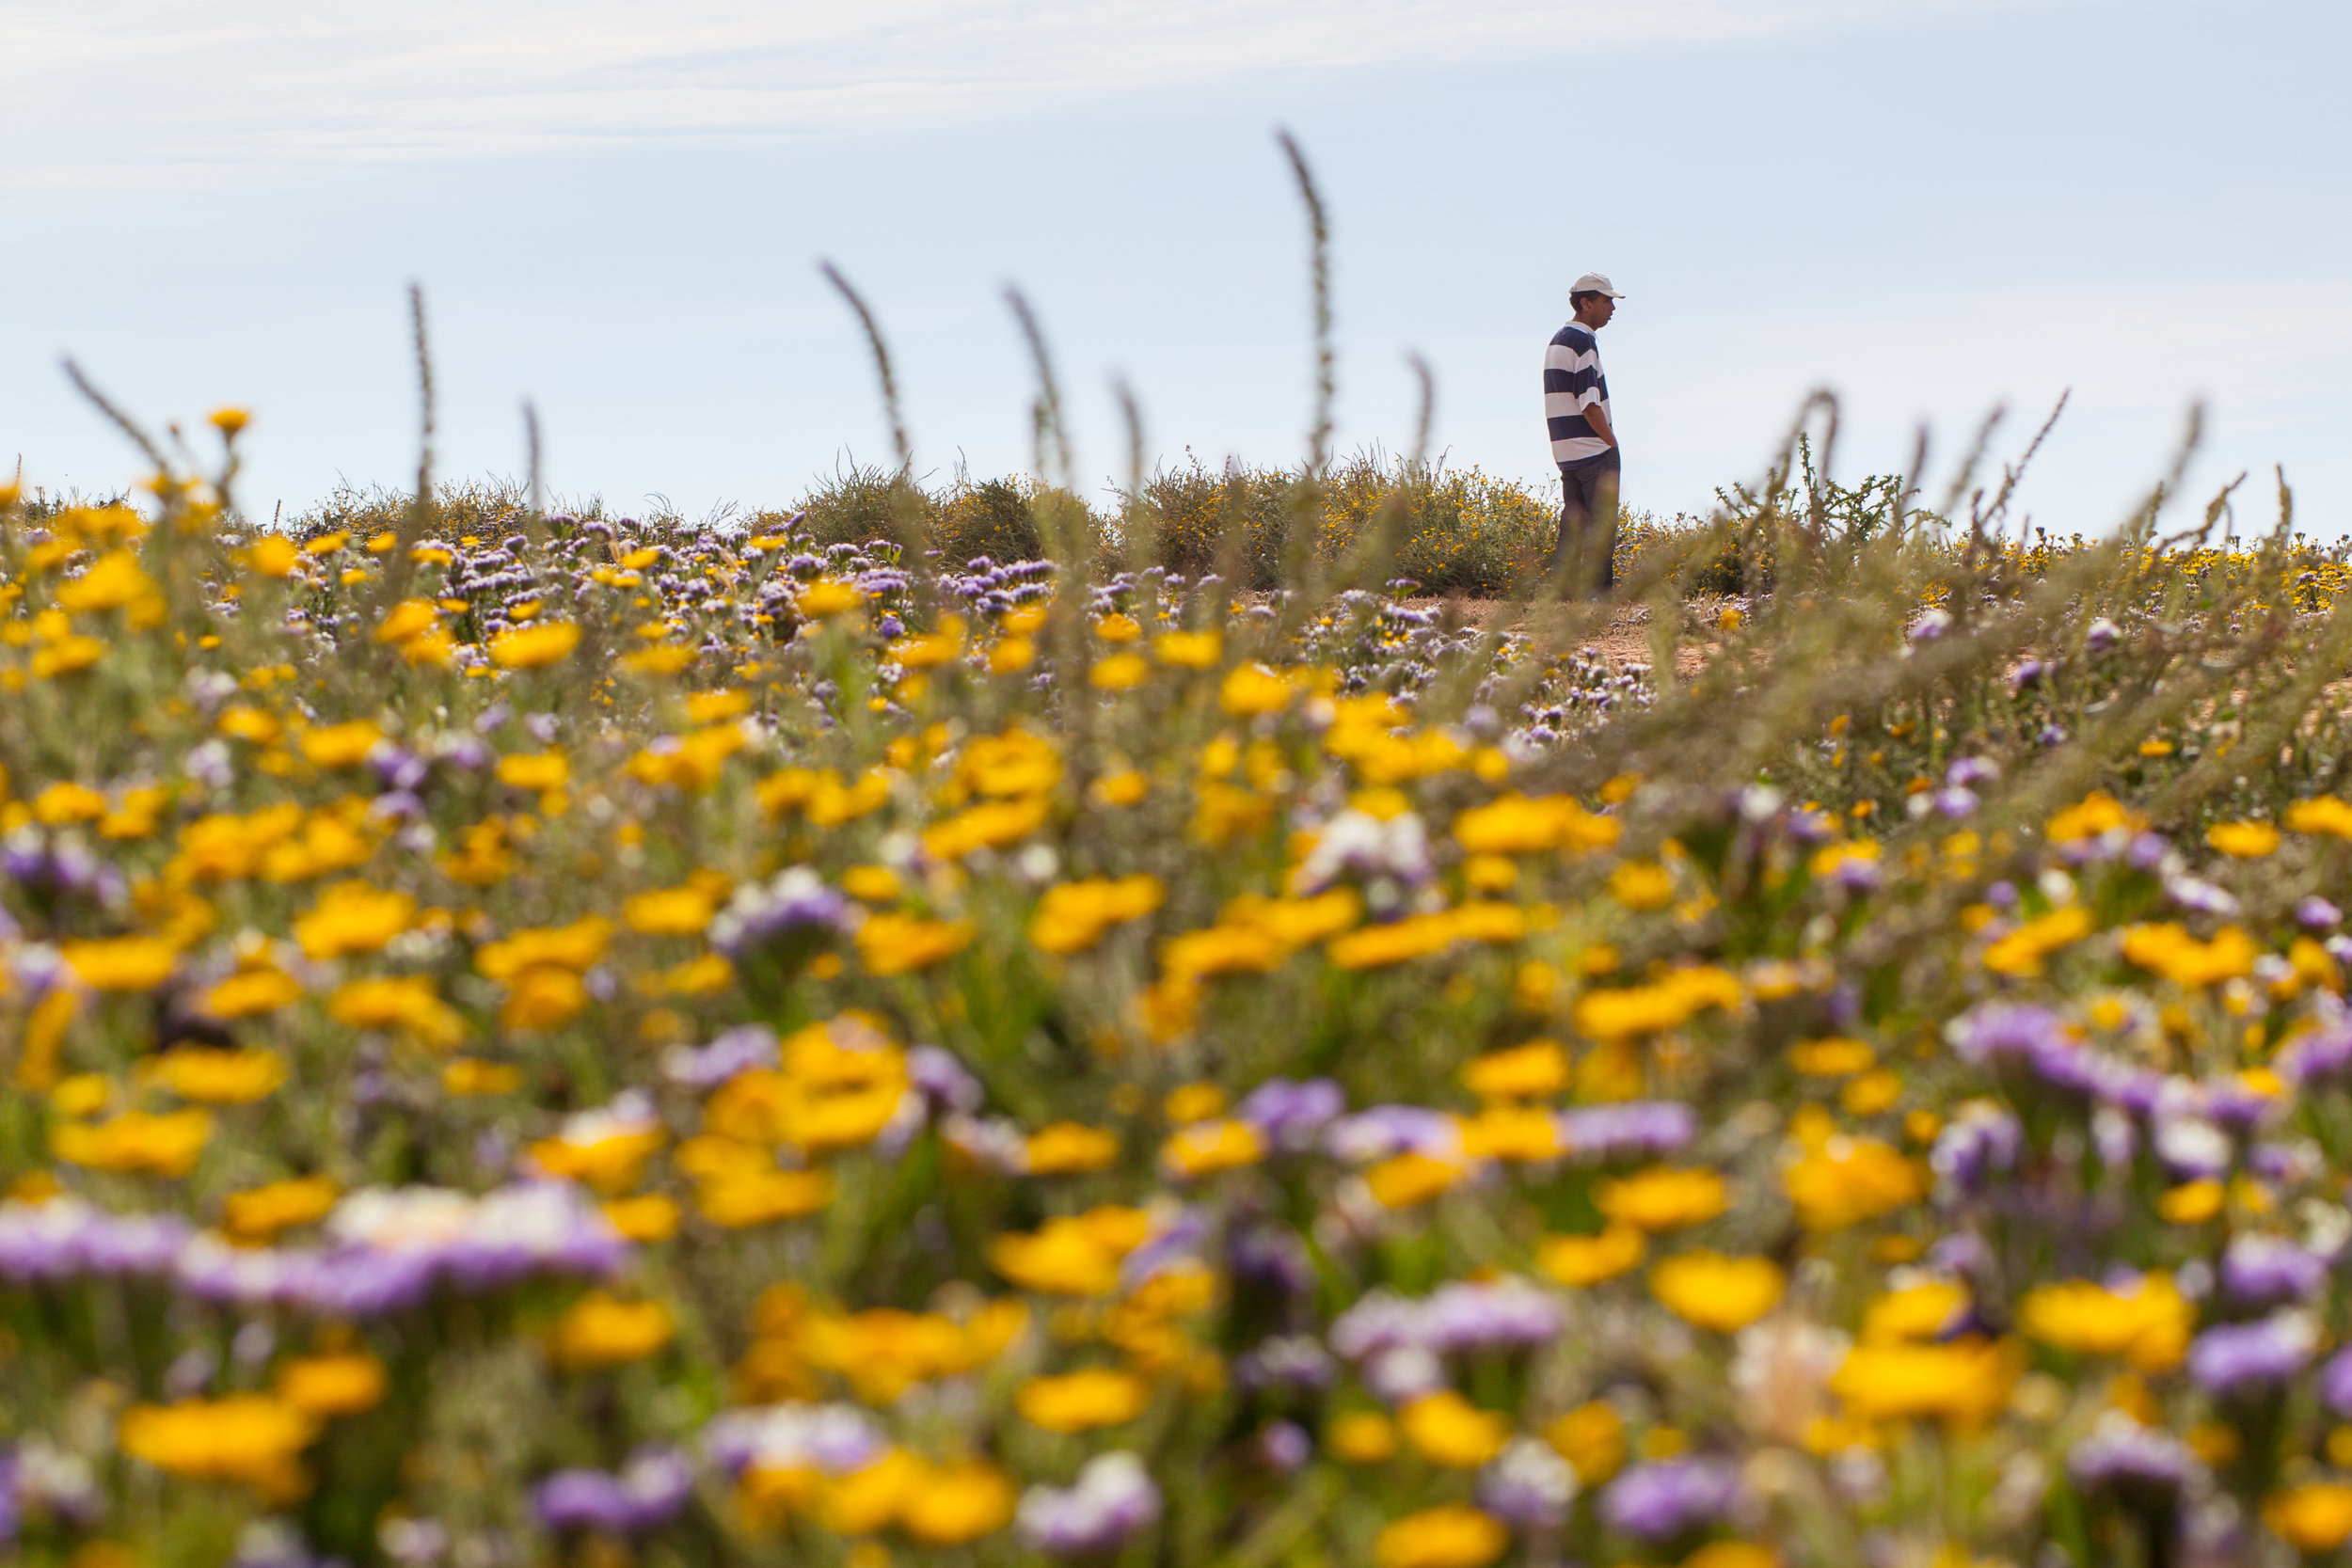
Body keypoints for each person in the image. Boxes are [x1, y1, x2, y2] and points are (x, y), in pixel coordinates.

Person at [1544, 272, 1625, 595]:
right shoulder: (1583, 340)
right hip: (1593, 450)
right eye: (1607, 301)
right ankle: (1599, 597)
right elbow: (1589, 402)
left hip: (1567, 452)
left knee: (1573, 527)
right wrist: (1611, 442)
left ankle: (1561, 595)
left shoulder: (1558, 340)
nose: (1612, 309)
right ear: (1586, 303)